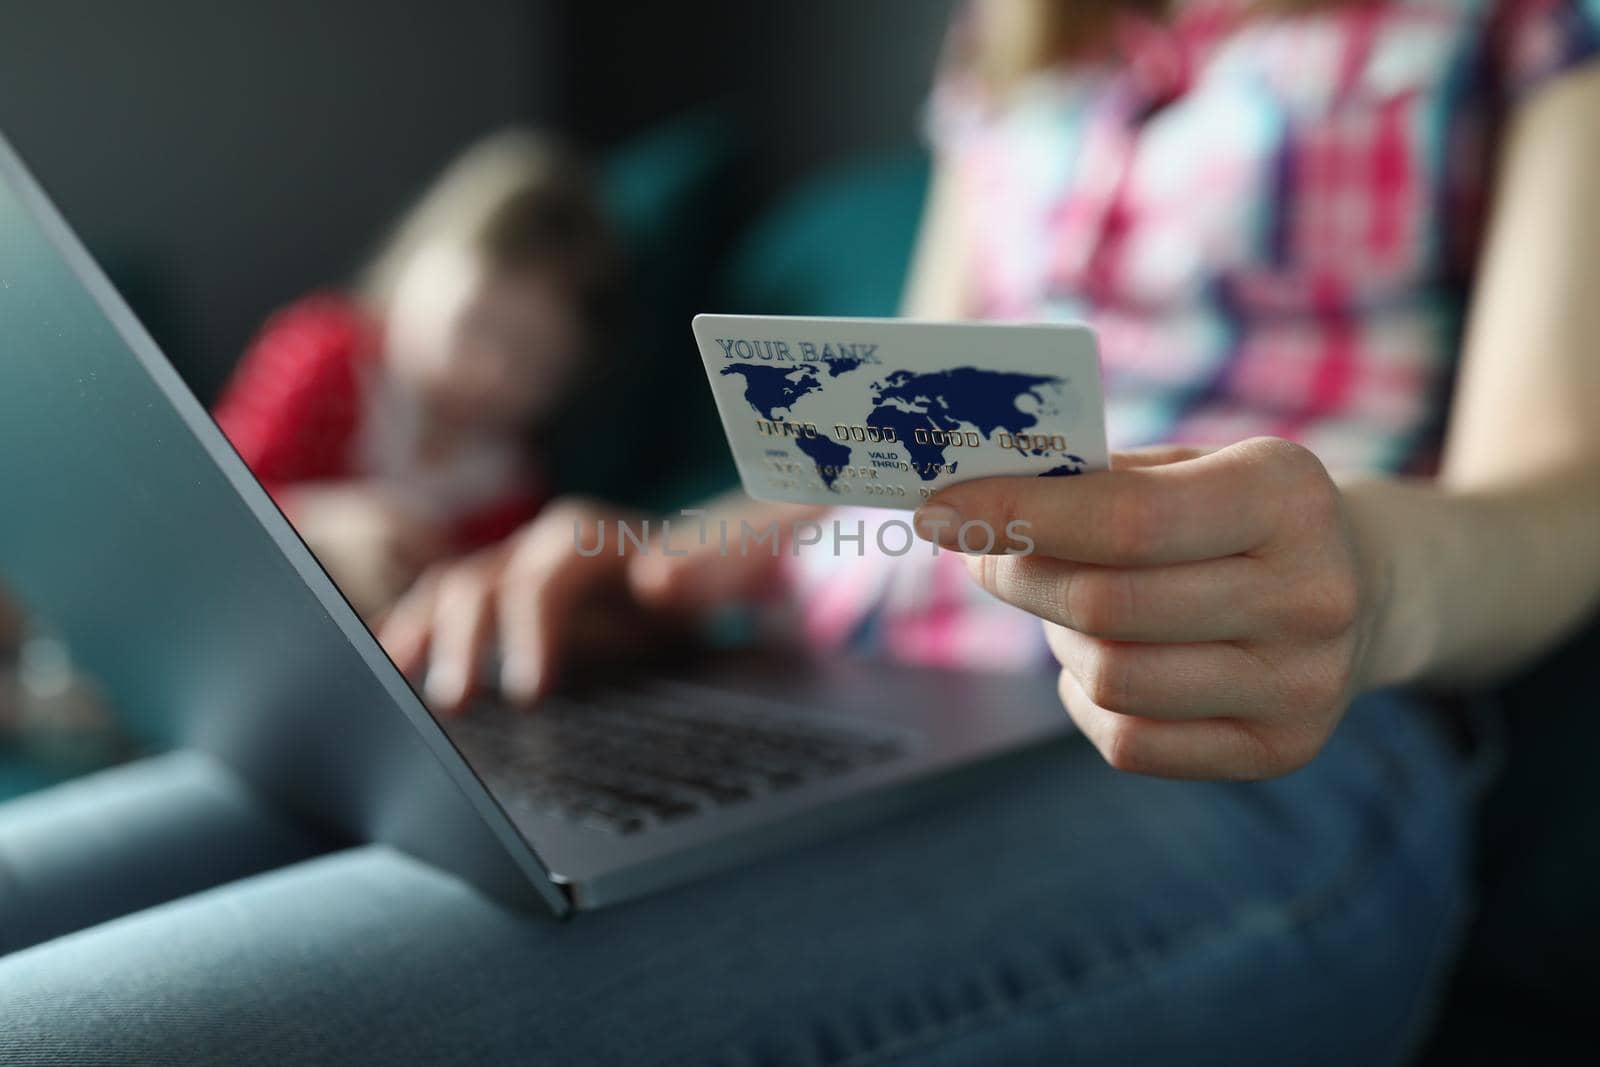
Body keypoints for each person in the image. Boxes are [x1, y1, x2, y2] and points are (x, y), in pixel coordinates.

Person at [3, 1, 1599, 1063]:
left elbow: (1560, 497)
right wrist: (647, 552)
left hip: (1248, 766)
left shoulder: (1513, 28)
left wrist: (1359, 582)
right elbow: (888, 443)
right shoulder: (1023, 40)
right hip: (832, 688)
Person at [213, 129, 617, 617]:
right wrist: (311, 524)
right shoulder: (321, 359)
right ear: (413, 267)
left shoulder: (509, 491)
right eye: (476, 326)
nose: (492, 371)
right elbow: (209, 498)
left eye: (535, 361)